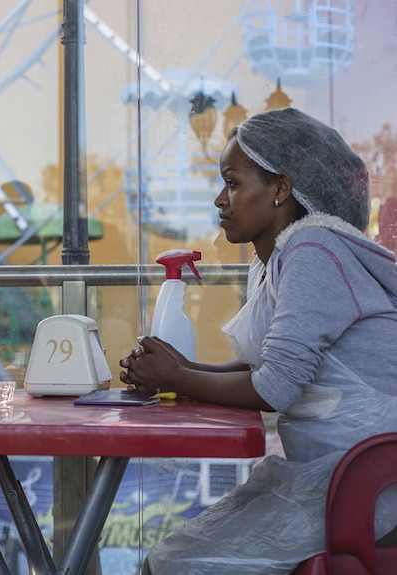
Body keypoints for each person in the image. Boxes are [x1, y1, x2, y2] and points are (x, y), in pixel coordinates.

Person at [119, 107, 397, 574]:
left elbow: (275, 388)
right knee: (167, 562)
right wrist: (175, 372)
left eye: (232, 183)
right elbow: (268, 369)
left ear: (281, 189)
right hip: (339, 472)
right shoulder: (276, 259)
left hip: (372, 483)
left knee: (170, 566)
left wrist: (180, 376)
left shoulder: (312, 251)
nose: (219, 201)